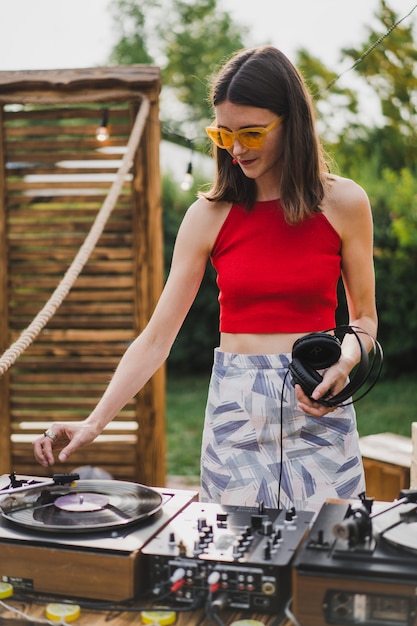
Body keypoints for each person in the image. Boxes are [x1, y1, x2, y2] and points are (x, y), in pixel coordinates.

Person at [33, 45, 377, 513]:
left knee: (328, 566)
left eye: (252, 133)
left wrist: (345, 362)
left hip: (318, 403)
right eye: (224, 134)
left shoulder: (346, 203)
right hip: (234, 418)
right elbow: (156, 338)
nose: (236, 149)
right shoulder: (207, 215)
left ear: (292, 122)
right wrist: (95, 423)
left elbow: (364, 321)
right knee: (234, 574)